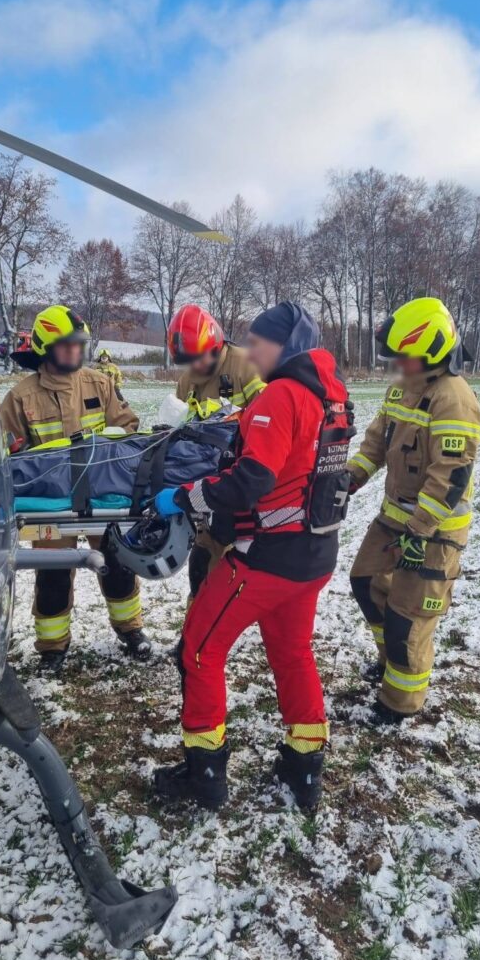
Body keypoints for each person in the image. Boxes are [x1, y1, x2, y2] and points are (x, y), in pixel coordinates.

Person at [152, 301, 353, 810]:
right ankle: (303, 768)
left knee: (199, 647)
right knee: (292, 652)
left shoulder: (280, 396)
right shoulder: (331, 394)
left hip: (268, 558)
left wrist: (184, 496)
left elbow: (250, 481)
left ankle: (206, 775)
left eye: (259, 341)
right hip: (314, 554)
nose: (251, 350)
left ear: (284, 345)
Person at [348, 297, 480, 724]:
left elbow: (450, 477)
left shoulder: (454, 400)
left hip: (432, 531)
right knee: (366, 582)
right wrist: (349, 479)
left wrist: (420, 530)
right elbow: (375, 444)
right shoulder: (402, 389)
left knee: (410, 617)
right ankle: (392, 663)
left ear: (433, 352)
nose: (398, 366)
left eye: (405, 358)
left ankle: (400, 704)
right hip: (395, 519)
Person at [0, 304, 151, 676]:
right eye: (66, 345)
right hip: (51, 504)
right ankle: (52, 648)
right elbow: (2, 450)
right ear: (45, 348)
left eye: (79, 344)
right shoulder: (21, 397)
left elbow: (127, 429)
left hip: (103, 498)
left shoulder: (99, 383)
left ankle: (130, 631)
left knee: (117, 564)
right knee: (52, 573)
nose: (75, 351)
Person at [168, 303, 265, 601]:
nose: (195, 367)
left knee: (255, 566)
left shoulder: (246, 367)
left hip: (249, 480)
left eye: (199, 359)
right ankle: (197, 631)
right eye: (188, 362)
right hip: (212, 485)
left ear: (216, 344)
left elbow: (271, 421)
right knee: (203, 560)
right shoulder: (187, 382)